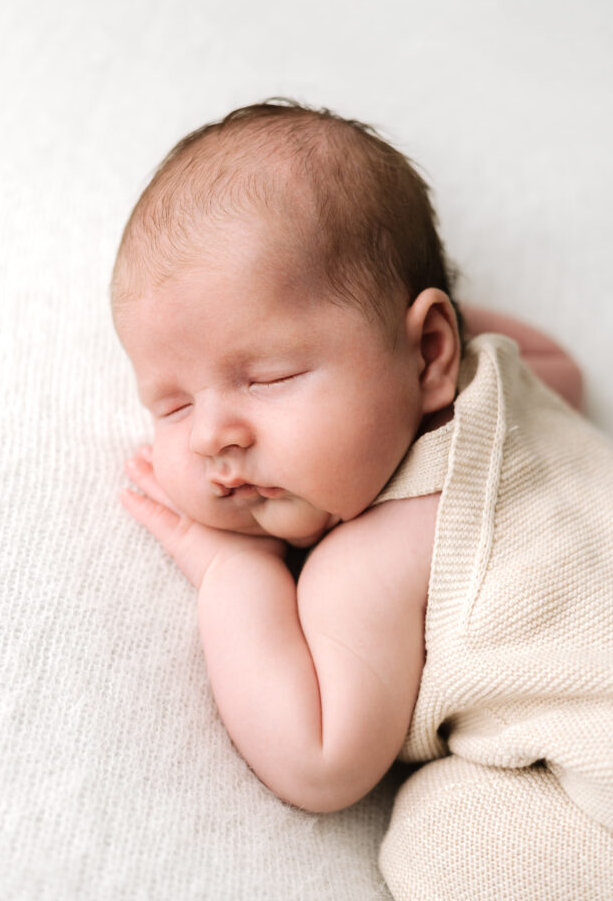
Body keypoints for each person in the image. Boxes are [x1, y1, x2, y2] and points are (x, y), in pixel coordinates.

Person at [111, 101, 612, 900]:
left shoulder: (371, 560)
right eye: (170, 405)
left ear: (430, 351)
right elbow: (567, 367)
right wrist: (394, 337)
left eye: (268, 377)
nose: (211, 437)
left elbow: (319, 762)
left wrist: (232, 572)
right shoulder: (511, 378)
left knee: (440, 835)